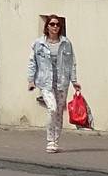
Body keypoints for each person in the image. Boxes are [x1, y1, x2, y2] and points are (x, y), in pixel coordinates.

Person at [27, 14, 80, 154]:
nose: (55, 27)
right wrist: (31, 80)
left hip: (62, 82)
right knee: (52, 108)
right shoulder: (39, 44)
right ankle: (50, 140)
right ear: (47, 27)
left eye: (57, 24)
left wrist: (74, 81)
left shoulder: (66, 43)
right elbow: (32, 62)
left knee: (59, 113)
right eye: (52, 24)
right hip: (45, 82)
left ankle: (56, 141)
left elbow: (71, 63)